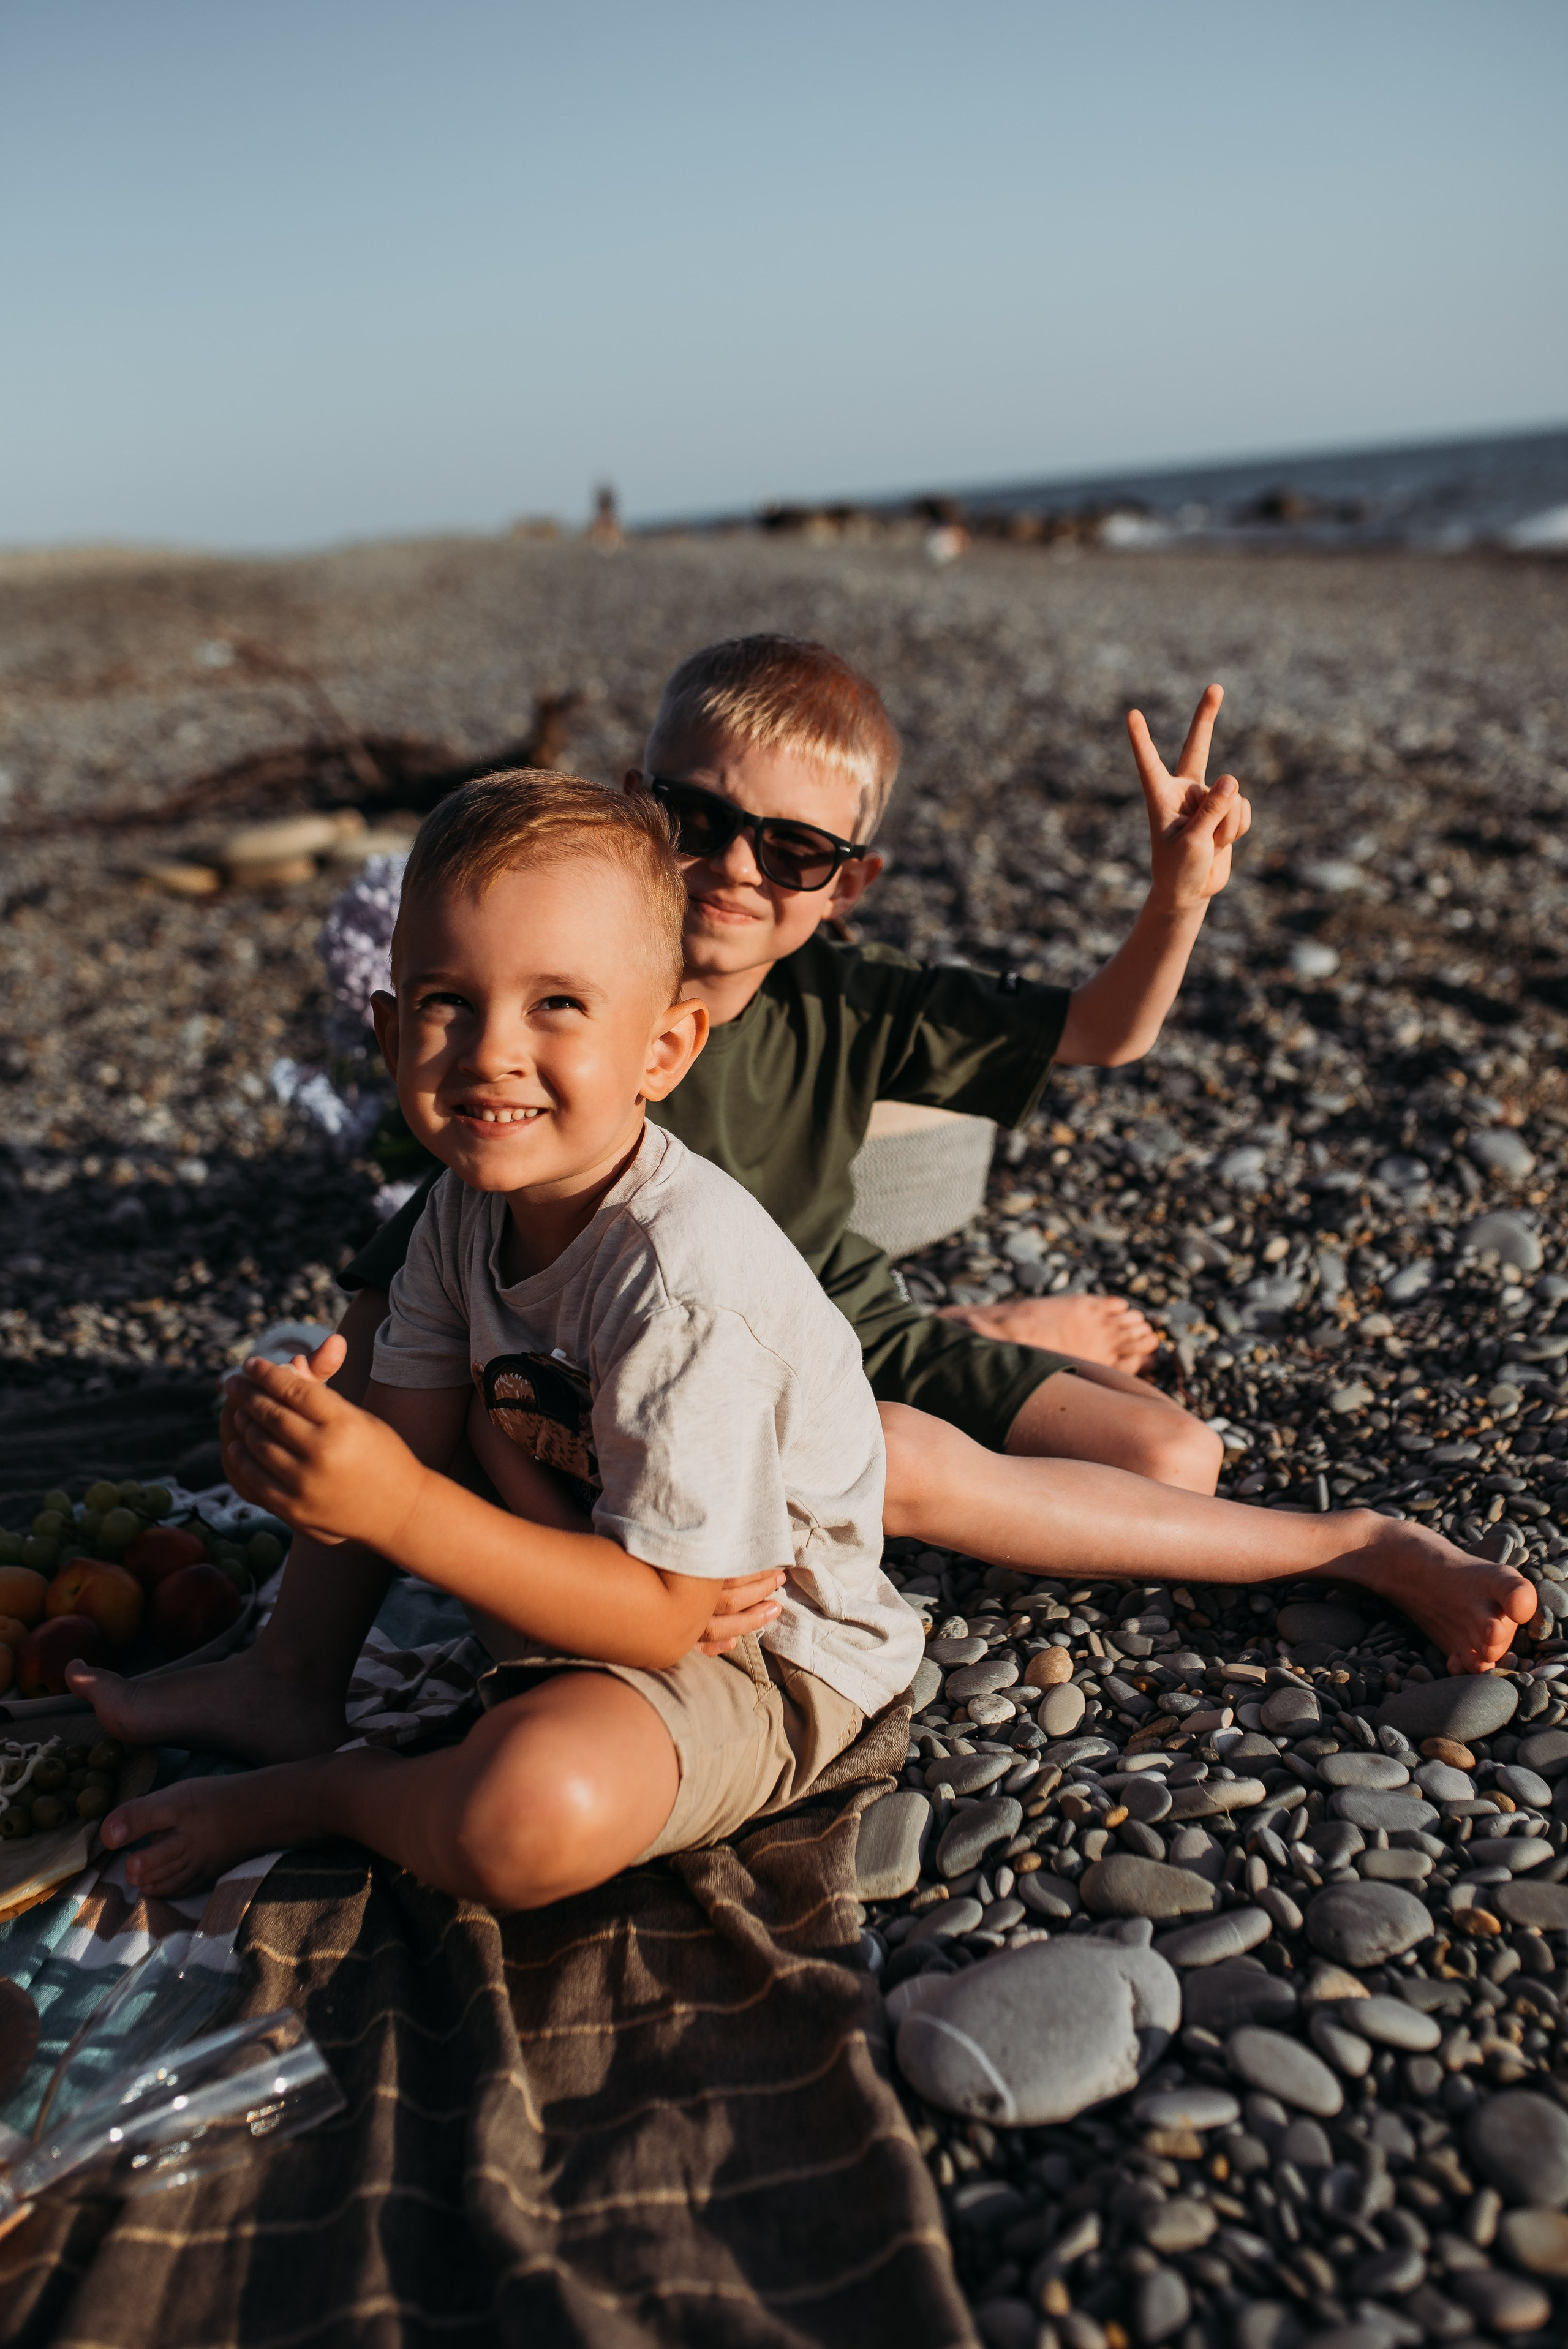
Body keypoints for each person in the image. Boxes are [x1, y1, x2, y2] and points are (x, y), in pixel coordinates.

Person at [81, 776, 921, 1902]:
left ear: (666, 1049)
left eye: (558, 1005)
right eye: (446, 1002)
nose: (490, 1053)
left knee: (526, 1815)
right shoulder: (462, 1205)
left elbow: (670, 1617)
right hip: (583, 1559)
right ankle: (290, 1674)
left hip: (753, 1659)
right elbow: (407, 1440)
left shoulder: (684, 1280)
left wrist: (396, 1500)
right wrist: (307, 1451)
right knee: (372, 1417)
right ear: (387, 1032)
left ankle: (332, 1790)